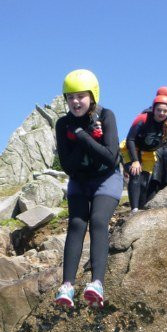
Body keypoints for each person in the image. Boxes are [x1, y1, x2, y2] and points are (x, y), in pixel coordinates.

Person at [54, 69, 123, 309]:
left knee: (98, 220)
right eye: (70, 97)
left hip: (107, 178)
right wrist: (88, 142)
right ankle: (67, 286)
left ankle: (97, 283)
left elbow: (111, 158)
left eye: (80, 96)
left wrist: (83, 137)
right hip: (80, 180)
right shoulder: (62, 124)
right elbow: (68, 166)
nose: (75, 102)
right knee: (76, 223)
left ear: (92, 96)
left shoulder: (107, 116)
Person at [124, 95, 167, 211]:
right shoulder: (142, 119)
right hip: (131, 149)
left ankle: (141, 210)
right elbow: (130, 139)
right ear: (153, 109)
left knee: (144, 182)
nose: (161, 113)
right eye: (159, 110)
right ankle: (134, 210)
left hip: (147, 153)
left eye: (165, 111)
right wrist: (135, 161)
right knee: (135, 174)